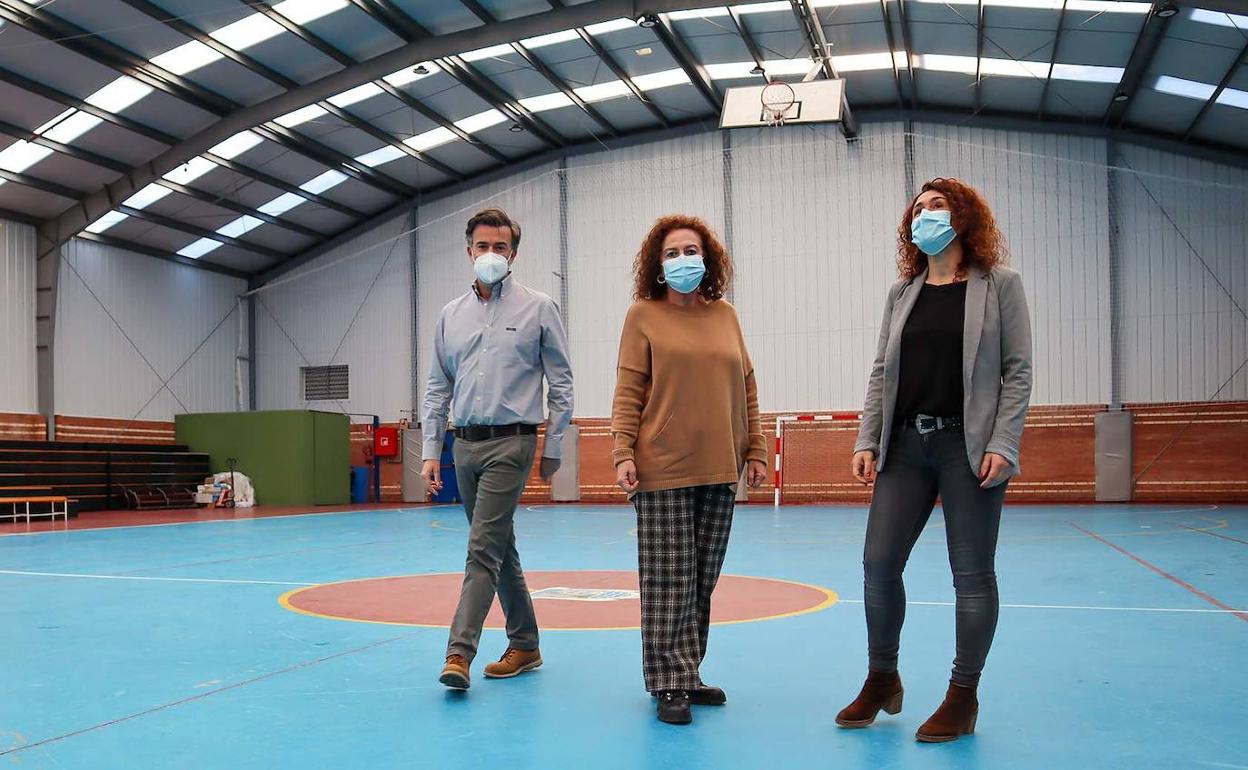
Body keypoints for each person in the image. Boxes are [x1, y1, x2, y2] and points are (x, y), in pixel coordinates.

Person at [837, 178, 1033, 742]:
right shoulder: (904, 292)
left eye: (937, 205)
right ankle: (882, 677)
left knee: (971, 576)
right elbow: (882, 370)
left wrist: (1004, 442)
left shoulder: (1001, 286)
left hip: (967, 449)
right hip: (904, 445)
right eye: (918, 208)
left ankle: (962, 695)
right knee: (878, 564)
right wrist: (866, 438)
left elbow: (1017, 371)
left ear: (963, 217)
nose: (925, 214)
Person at [610, 215, 768, 725]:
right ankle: (667, 682)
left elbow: (746, 385)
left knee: (702, 578)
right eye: (673, 253)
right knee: (667, 580)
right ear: (658, 266)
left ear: (709, 258)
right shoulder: (643, 315)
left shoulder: (726, 315)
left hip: (720, 465)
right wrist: (622, 451)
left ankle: (688, 670)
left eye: (691, 250)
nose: (683, 260)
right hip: (662, 467)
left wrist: (757, 449)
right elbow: (629, 389)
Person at [421, 207, 574, 691]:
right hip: (463, 446)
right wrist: (430, 450)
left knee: (481, 551)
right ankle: (525, 643)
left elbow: (562, 383)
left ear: (514, 253)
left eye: (500, 247)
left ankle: (458, 653)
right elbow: (436, 387)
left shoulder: (538, 307)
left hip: (512, 443)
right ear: (469, 251)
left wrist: (554, 448)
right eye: (482, 246)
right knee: (500, 547)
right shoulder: (450, 315)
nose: (491, 254)